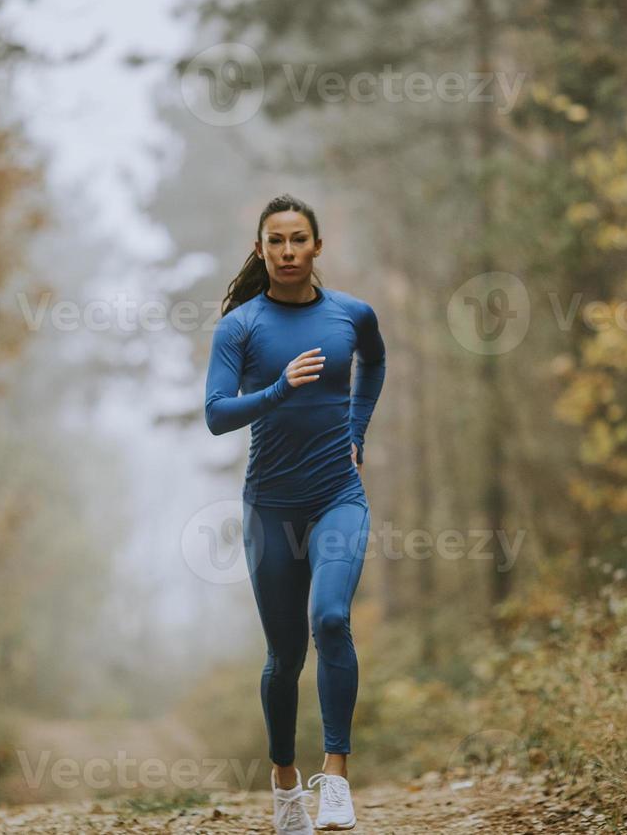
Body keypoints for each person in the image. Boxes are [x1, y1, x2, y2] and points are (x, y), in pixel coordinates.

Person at [204, 193, 386, 833]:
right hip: (270, 507)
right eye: (275, 242)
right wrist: (279, 388)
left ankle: (334, 777)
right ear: (261, 250)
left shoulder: (351, 315)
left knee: (331, 620)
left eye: (297, 240)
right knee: (284, 656)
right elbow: (216, 414)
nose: (287, 252)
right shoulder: (241, 327)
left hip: (338, 494)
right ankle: (285, 784)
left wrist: (358, 429)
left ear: (316, 247)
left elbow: (376, 360)